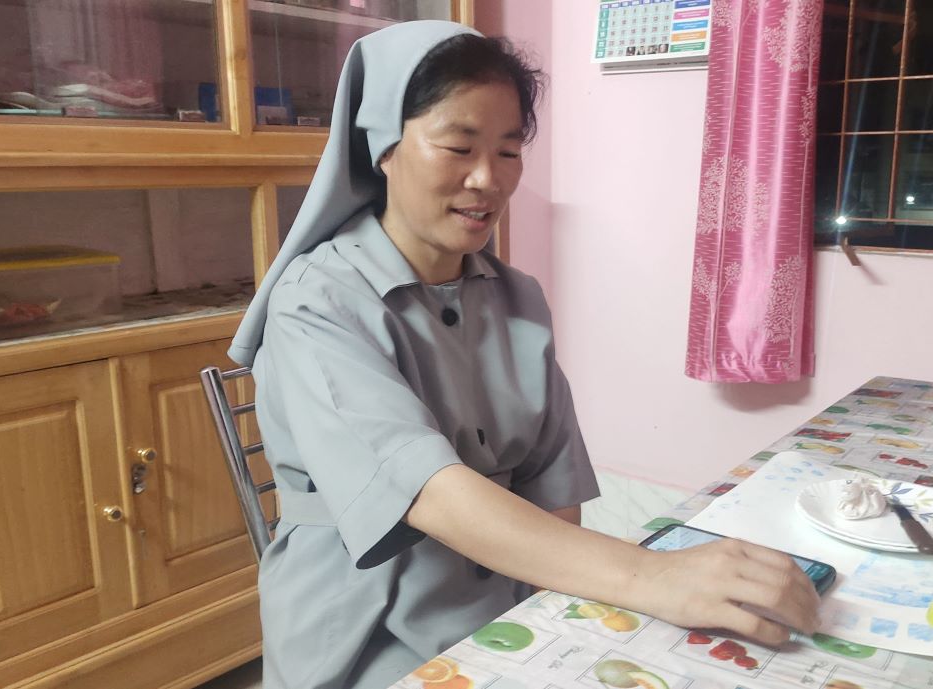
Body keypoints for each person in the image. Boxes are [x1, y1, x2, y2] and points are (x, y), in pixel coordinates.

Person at [229, 20, 821, 689]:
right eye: (459, 145)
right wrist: (650, 575)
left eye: (509, 151)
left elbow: (551, 484)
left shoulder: (519, 298)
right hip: (364, 622)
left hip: (501, 598)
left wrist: (562, 611)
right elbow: (430, 491)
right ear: (384, 147)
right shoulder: (317, 302)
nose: (486, 178)